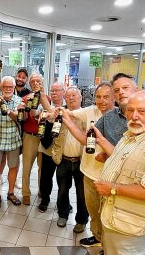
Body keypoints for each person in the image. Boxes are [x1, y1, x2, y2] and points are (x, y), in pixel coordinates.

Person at [94, 91, 145, 254]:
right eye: (130, 110)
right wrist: (108, 151)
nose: (134, 116)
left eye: (141, 111)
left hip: (130, 227)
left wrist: (112, 189)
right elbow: (127, 160)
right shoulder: (133, 132)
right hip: (115, 218)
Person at [60, 82, 115, 238]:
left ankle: (106, 243)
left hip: (109, 176)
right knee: (93, 209)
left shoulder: (120, 118)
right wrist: (55, 111)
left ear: (113, 98)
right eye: (98, 96)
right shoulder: (90, 111)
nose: (102, 101)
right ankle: (97, 237)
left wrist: (106, 154)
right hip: (88, 171)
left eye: (106, 97)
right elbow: (70, 115)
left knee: (107, 213)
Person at [52, 86, 89, 232]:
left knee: (82, 193)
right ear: (64, 98)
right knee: (62, 190)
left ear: (80, 97)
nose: (71, 98)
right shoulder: (60, 114)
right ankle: (63, 214)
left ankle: (81, 220)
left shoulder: (87, 114)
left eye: (74, 95)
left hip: (82, 161)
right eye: (68, 96)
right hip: (64, 159)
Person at [0, 76, 24, 209]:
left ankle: (10, 192)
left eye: (10, 87)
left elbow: (19, 118)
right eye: (5, 87)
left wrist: (9, 111)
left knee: (13, 167)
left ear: (14, 87)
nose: (8, 89)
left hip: (13, 140)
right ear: (1, 88)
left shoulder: (19, 100)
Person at [20, 73, 51, 205]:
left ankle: (41, 191)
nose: (35, 83)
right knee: (27, 166)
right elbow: (25, 117)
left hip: (44, 138)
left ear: (42, 83)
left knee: (42, 168)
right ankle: (26, 193)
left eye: (38, 80)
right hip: (30, 136)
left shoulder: (48, 99)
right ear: (30, 84)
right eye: (33, 81)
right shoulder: (26, 98)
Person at [37, 82, 65, 212]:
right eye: (52, 91)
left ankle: (63, 202)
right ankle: (45, 199)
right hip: (47, 145)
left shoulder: (68, 107)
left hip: (63, 148)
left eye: (57, 90)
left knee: (63, 178)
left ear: (63, 91)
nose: (54, 93)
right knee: (46, 176)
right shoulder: (45, 105)